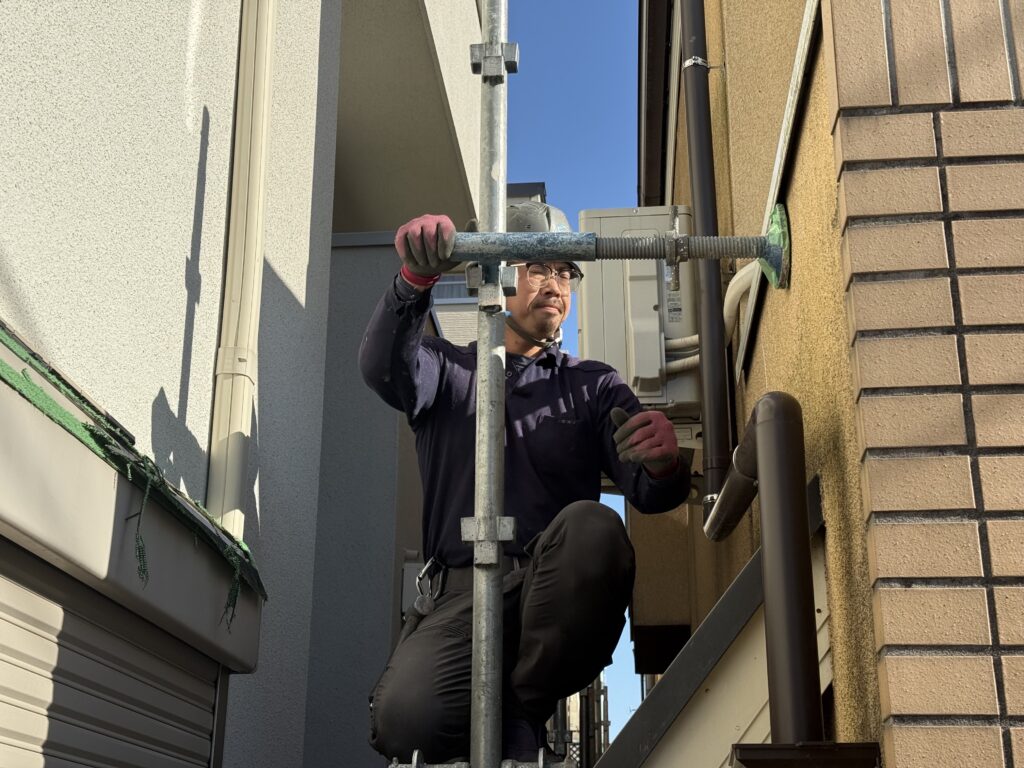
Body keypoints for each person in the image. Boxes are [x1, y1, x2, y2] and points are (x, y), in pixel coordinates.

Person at [359, 201, 691, 763]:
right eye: (538, 267)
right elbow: (380, 367)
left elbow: (649, 490)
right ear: (498, 273)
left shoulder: (593, 386)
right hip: (460, 595)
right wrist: (413, 281)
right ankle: (495, 716)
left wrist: (663, 464)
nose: (555, 283)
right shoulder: (446, 369)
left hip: (553, 592)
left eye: (565, 272)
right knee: (404, 720)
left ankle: (522, 709)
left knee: (595, 528)